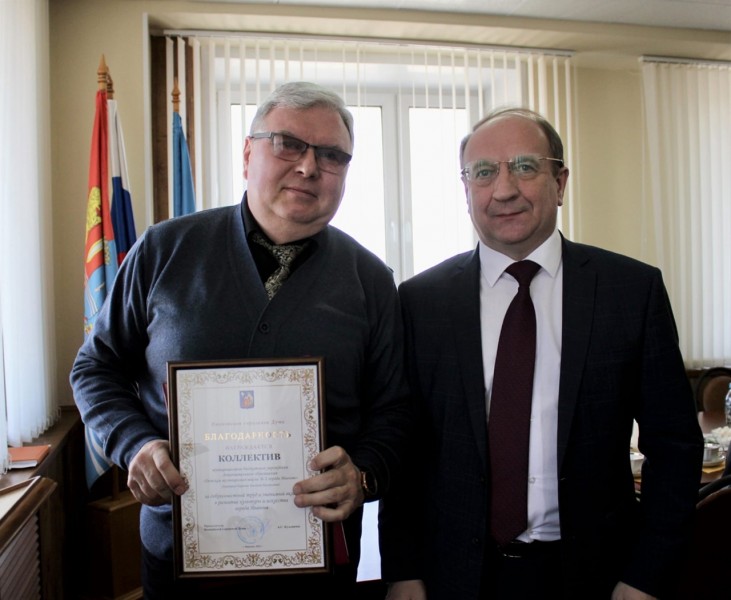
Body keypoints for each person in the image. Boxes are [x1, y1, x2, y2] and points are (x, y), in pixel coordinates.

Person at [71, 81, 411, 599]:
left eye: (332, 155)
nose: (309, 166)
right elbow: (95, 368)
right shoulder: (163, 250)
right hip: (180, 557)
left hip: (319, 565)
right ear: (248, 153)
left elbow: (396, 410)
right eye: (288, 144)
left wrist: (362, 475)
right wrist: (134, 443)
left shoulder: (371, 280)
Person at [379, 107, 703, 600]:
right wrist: (403, 570)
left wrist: (645, 576)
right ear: (466, 190)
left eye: (525, 167)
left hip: (596, 577)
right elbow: (406, 448)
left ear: (560, 182)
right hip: (456, 577)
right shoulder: (420, 302)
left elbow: (674, 446)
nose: (503, 190)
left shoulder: (631, 292)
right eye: (483, 173)